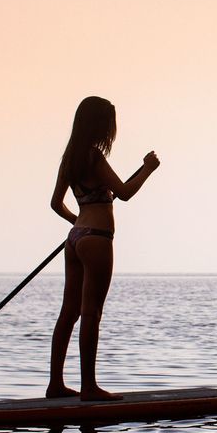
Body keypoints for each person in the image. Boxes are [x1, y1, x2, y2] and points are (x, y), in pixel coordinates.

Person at [47, 96, 160, 401]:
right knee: (91, 312)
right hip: (96, 238)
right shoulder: (94, 157)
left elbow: (56, 204)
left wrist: (78, 224)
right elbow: (123, 193)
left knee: (69, 311)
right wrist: (148, 169)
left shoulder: (70, 158)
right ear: (99, 126)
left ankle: (55, 384)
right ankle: (89, 387)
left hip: (76, 238)